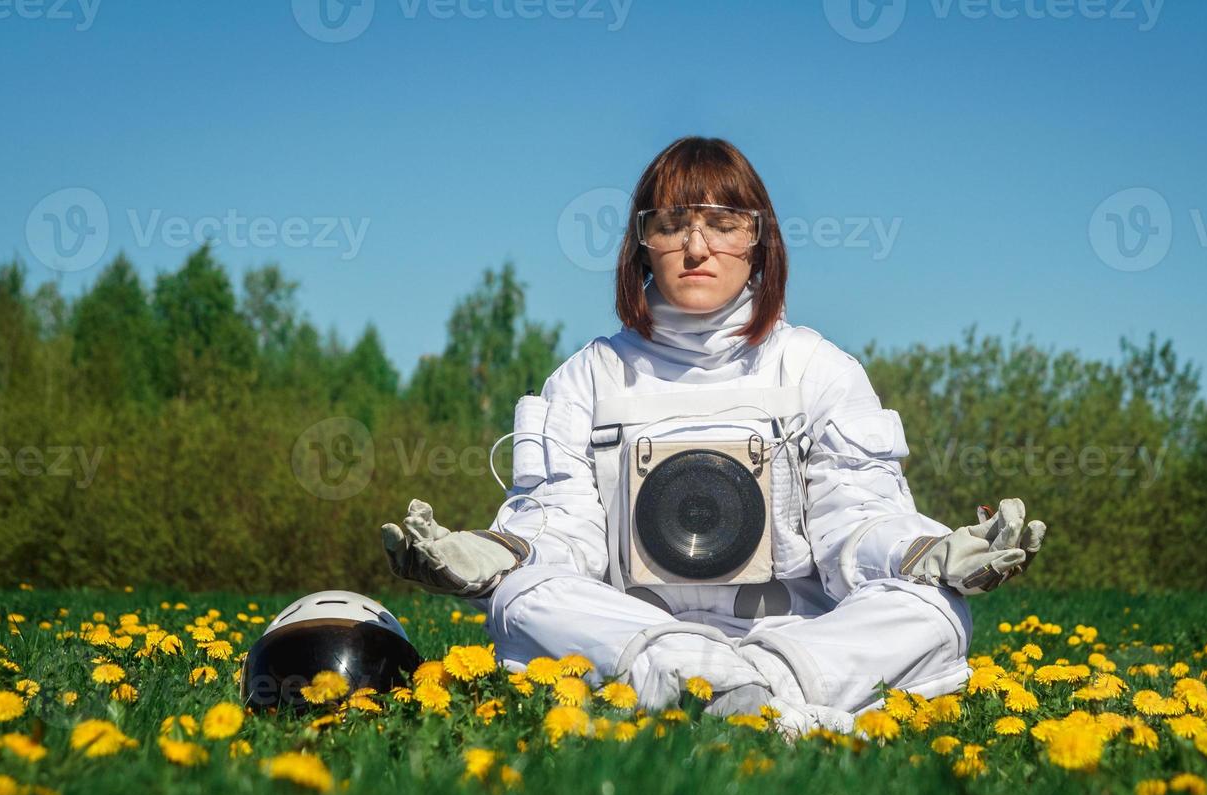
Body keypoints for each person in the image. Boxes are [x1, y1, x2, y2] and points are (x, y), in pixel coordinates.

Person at [381, 136, 1045, 734]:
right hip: (638, 634)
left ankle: (734, 691)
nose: (697, 248)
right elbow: (562, 534)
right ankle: (744, 698)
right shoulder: (587, 377)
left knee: (934, 608)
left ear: (760, 241)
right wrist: (498, 554)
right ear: (642, 242)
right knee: (522, 599)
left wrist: (927, 551)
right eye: (672, 225)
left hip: (793, 634)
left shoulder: (818, 369)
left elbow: (859, 518)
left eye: (724, 224)